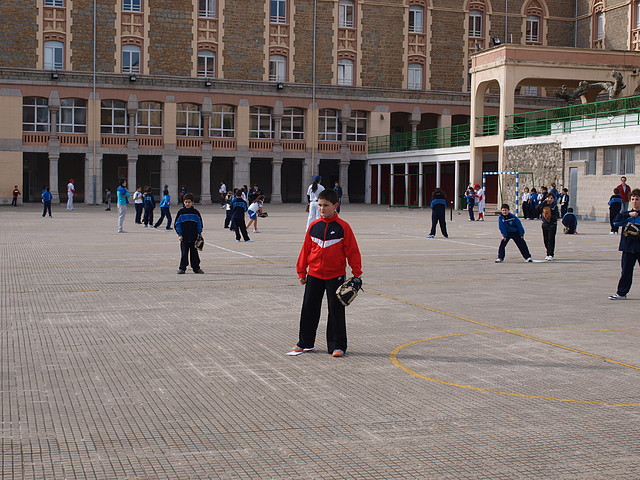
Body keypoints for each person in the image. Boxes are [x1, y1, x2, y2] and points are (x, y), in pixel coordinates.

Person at [287, 189, 362, 357]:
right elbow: (306, 250)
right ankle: (305, 343)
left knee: (336, 310)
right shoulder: (314, 226)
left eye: (326, 205)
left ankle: (338, 345)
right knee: (309, 308)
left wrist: (357, 273)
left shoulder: (343, 227)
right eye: (320, 205)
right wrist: (301, 271)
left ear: (336, 205)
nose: (322, 209)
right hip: (314, 274)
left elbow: (353, 251)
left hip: (335, 276)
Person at [609, 188, 640, 299]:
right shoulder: (626, 214)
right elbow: (616, 222)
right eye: (633, 199)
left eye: (637, 199)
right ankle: (621, 293)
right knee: (626, 271)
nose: (635, 201)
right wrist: (629, 215)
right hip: (628, 247)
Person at [175, 193, 204, 274]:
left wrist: (199, 233)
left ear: (192, 202)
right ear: (183, 202)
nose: (187, 204)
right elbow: (177, 224)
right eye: (186, 202)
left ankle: (196, 268)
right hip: (184, 237)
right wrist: (180, 234)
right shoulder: (181, 212)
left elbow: (199, 224)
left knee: (194, 253)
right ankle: (182, 268)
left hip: (194, 236)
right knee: (184, 253)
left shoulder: (195, 212)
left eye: (189, 202)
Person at [538, 194, 559, 261]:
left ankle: (550, 254)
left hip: (552, 225)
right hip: (545, 224)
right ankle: (548, 251)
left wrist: (550, 217)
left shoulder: (554, 206)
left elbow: (556, 216)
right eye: (548, 198)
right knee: (546, 240)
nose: (550, 199)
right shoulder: (544, 205)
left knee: (551, 240)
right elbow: (537, 208)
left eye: (551, 198)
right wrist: (544, 201)